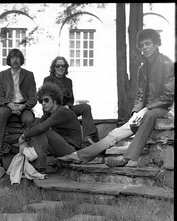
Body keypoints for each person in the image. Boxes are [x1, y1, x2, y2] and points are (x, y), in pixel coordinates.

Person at [58, 28, 174, 167]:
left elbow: (168, 96)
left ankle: (129, 158)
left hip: (163, 109)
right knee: (116, 133)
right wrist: (136, 112)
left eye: (147, 44)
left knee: (149, 115)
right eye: (142, 45)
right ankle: (80, 155)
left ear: (156, 43)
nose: (144, 48)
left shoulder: (168, 64)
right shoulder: (142, 68)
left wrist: (144, 110)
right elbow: (141, 94)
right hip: (145, 112)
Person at [18, 82, 83, 173]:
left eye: (46, 100)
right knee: (36, 131)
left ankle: (40, 168)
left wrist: (24, 136)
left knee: (43, 131)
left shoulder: (61, 111)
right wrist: (24, 137)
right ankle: (37, 166)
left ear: (55, 100)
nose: (43, 103)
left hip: (72, 151)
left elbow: (42, 127)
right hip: (62, 148)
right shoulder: (49, 113)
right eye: (41, 101)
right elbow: (36, 125)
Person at [0, 48, 37, 166]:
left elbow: (33, 98)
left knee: (29, 120)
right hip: (7, 105)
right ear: (9, 60)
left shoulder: (29, 75)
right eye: (12, 57)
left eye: (17, 57)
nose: (15, 60)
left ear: (21, 59)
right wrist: (10, 105)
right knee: (2, 115)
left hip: (24, 106)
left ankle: (28, 151)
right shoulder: (2, 75)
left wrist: (22, 107)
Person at [43, 56, 99, 145]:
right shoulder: (48, 80)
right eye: (58, 66)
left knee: (86, 107)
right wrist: (57, 108)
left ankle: (88, 136)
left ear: (66, 68)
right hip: (54, 111)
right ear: (54, 68)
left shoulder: (68, 81)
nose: (60, 68)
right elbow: (46, 99)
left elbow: (71, 99)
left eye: (63, 66)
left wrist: (68, 106)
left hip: (67, 109)